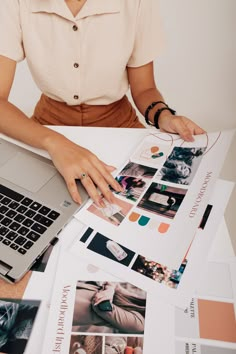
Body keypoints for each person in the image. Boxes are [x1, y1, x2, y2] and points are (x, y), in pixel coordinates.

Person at [0, 0, 205, 207]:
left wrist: (164, 115)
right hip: (47, 125)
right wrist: (54, 143)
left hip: (120, 125)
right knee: (33, 209)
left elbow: (144, 89)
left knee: (150, 206)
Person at [72, 281, 146, 334]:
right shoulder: (142, 304)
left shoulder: (139, 324)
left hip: (77, 307)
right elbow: (115, 285)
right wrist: (110, 289)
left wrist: (109, 291)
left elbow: (102, 306)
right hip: (79, 290)